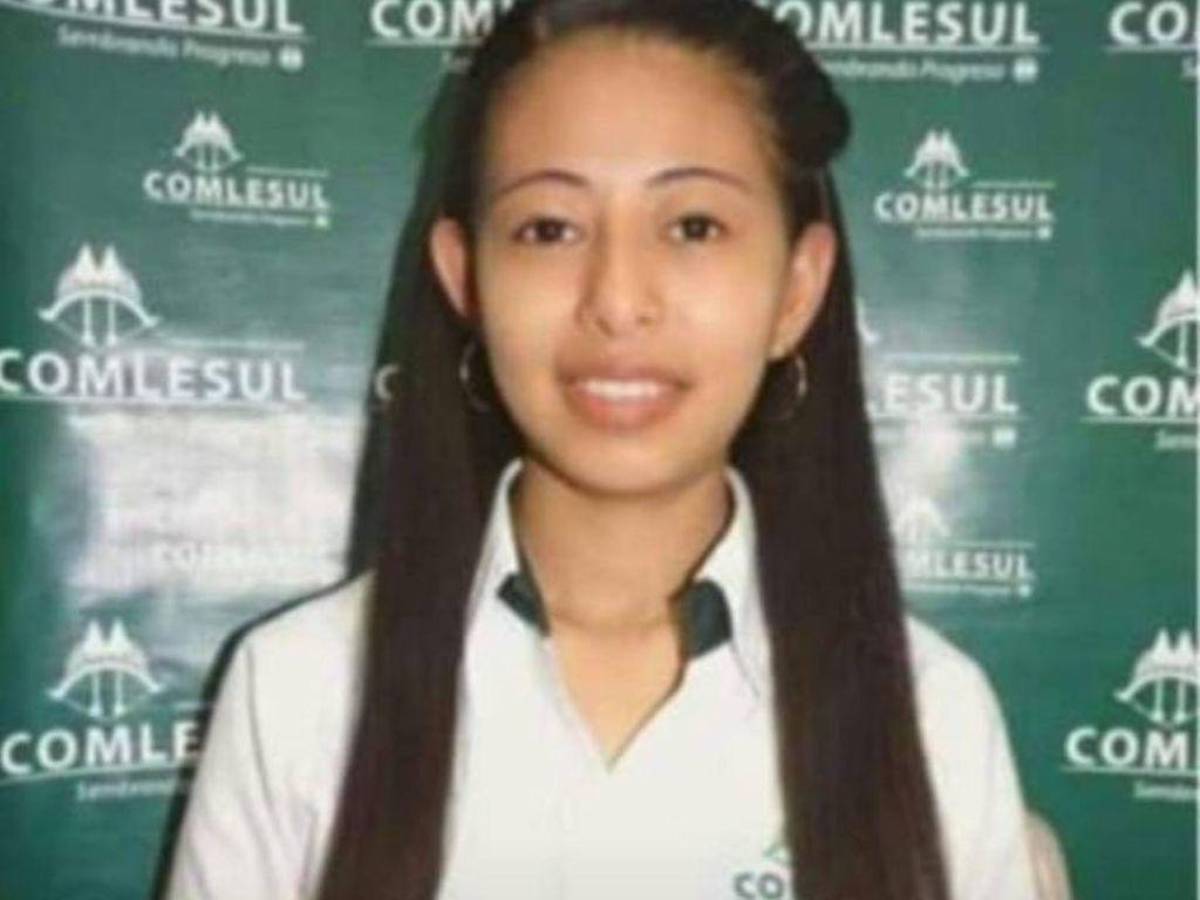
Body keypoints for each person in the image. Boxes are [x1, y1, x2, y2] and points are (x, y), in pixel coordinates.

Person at [164, 1, 1041, 899]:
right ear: (466, 280)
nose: (618, 301)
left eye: (693, 226)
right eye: (549, 229)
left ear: (797, 288)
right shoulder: (298, 690)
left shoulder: (935, 718)